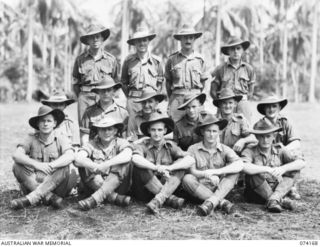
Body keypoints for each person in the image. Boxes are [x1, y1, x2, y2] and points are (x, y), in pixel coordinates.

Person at [10, 106, 75, 210]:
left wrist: (51, 165)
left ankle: (31, 199)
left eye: (49, 121)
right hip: (34, 183)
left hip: (56, 185)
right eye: (42, 121)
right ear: (37, 124)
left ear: (54, 124)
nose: (45, 124)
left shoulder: (61, 137)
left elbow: (70, 155)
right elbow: (16, 155)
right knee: (17, 166)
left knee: (64, 167)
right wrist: (37, 165)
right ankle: (49, 197)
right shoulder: (31, 138)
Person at [131, 112, 194, 214]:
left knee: (181, 165)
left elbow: (190, 159)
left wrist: (170, 168)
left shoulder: (170, 146)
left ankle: (158, 200)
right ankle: (169, 199)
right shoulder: (142, 145)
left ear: (165, 131)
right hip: (144, 191)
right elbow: (135, 158)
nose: (156, 133)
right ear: (148, 131)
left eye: (160, 130)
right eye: (153, 130)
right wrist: (155, 168)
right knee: (140, 167)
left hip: (166, 185)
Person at [182, 114, 243, 216]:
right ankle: (222, 202)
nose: (211, 134)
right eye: (208, 131)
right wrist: (206, 174)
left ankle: (211, 203)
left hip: (219, 187)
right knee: (187, 178)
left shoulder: (224, 149)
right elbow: (192, 171)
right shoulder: (193, 148)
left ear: (219, 132)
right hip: (199, 188)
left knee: (235, 173)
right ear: (202, 132)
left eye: (214, 131)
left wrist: (217, 172)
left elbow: (240, 164)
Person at [241, 119, 305, 213]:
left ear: (274, 136)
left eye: (268, 136)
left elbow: (301, 162)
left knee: (294, 171)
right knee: (253, 174)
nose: (265, 140)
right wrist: (266, 169)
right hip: (256, 194)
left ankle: (274, 200)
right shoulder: (250, 150)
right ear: (256, 137)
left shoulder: (279, 149)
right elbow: (244, 166)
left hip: (277, 189)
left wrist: (283, 168)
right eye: (261, 137)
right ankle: (278, 201)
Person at [74, 117, 133, 210]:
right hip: (95, 184)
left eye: (110, 129)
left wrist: (106, 165)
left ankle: (94, 199)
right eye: (103, 129)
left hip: (118, 185)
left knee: (124, 163)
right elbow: (78, 158)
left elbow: (128, 154)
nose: (106, 132)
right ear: (98, 131)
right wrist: (94, 166)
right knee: (84, 163)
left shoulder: (121, 142)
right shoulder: (92, 144)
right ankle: (114, 197)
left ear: (115, 131)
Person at [257, 95, 302, 199]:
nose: (271, 109)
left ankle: (291, 186)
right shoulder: (259, 125)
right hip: (266, 157)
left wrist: (283, 150)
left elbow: (296, 142)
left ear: (279, 108)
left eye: (274, 106)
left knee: (297, 156)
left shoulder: (285, 122)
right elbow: (256, 143)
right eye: (268, 107)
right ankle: (271, 189)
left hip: (281, 156)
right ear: (264, 109)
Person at [73, 24, 119, 126]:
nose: (95, 40)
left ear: (102, 39)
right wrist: (82, 96)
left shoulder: (111, 59)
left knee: (104, 125)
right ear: (87, 40)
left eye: (97, 36)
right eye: (92, 37)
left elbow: (116, 80)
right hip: (85, 97)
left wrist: (110, 96)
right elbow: (75, 83)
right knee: (84, 126)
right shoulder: (80, 59)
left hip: (104, 96)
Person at [165, 24, 209, 122]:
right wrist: (172, 100)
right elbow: (168, 82)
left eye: (190, 37)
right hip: (177, 98)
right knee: (176, 127)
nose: (188, 41)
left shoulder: (200, 59)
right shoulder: (172, 59)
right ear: (180, 39)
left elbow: (205, 82)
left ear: (194, 39)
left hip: (195, 97)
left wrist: (200, 100)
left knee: (197, 127)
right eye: (185, 38)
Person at [122, 26, 166, 118]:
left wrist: (154, 100)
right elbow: (124, 82)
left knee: (151, 128)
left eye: (144, 40)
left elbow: (160, 83)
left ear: (148, 41)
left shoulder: (157, 61)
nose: (142, 43)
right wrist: (131, 97)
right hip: (134, 100)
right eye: (138, 41)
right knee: (133, 128)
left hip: (151, 101)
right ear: (134, 43)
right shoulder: (128, 61)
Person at [210, 36, 255, 123]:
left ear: (242, 50)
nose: (235, 51)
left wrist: (243, 101)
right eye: (232, 49)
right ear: (228, 51)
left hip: (242, 102)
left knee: (244, 129)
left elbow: (251, 90)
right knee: (224, 128)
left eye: (238, 48)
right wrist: (220, 103)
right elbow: (213, 91)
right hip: (225, 104)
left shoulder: (249, 69)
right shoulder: (220, 69)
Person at [80, 76, 128, 145]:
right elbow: (85, 135)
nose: (106, 93)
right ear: (98, 92)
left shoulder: (123, 113)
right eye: (103, 90)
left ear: (113, 92)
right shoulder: (89, 112)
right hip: (94, 149)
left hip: (115, 150)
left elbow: (124, 137)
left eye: (109, 90)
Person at [213, 88, 256, 153]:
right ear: (219, 105)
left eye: (230, 103)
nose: (227, 106)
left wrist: (242, 141)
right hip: (217, 156)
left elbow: (253, 137)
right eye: (224, 103)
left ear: (235, 104)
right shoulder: (213, 120)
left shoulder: (240, 120)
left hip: (235, 157)